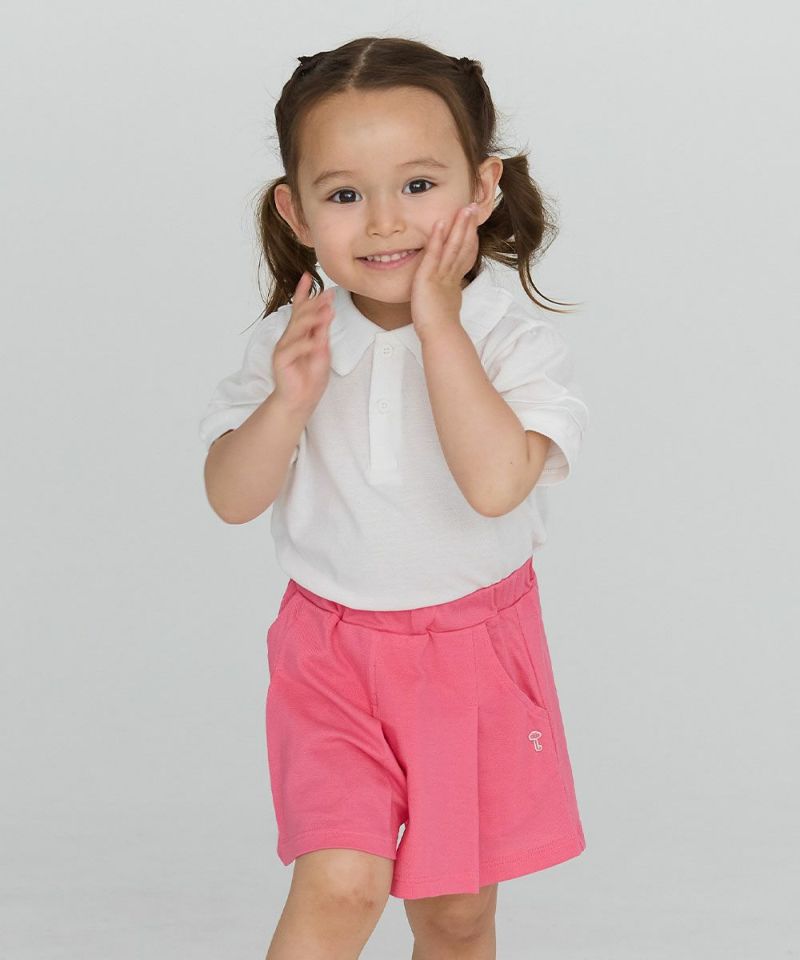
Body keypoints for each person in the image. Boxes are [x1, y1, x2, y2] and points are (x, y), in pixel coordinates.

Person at [199, 34, 590, 960]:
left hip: (473, 657)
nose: (384, 223)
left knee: (455, 917)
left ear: (481, 189)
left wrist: (438, 322)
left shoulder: (508, 340)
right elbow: (230, 496)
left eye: (418, 185)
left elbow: (495, 486)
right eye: (345, 195)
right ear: (296, 211)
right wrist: (286, 404)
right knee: (341, 885)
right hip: (330, 656)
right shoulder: (295, 339)